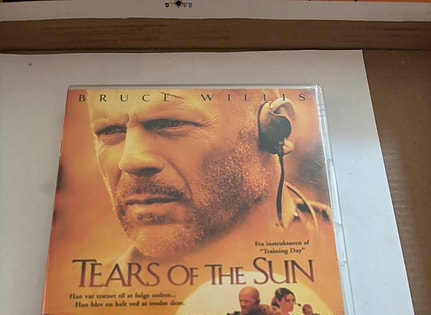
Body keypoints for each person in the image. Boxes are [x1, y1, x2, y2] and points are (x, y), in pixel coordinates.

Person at [87, 88, 331, 262]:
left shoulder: (345, 250)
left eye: (170, 124)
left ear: (277, 130)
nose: (130, 161)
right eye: (110, 131)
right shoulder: (83, 311)